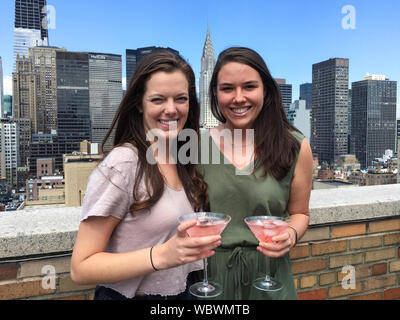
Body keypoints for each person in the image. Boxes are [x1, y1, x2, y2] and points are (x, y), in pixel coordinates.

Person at [70, 50, 220, 300]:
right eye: (158, 99)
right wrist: (162, 255)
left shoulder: (181, 157)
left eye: (181, 98)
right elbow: (81, 268)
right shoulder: (124, 163)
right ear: (139, 103)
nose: (171, 109)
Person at [197, 47, 313, 300]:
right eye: (227, 88)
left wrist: (291, 234)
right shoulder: (196, 146)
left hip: (269, 277)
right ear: (215, 94)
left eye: (249, 86)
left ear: (266, 90)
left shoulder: (295, 145)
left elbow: (300, 213)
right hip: (210, 282)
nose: (239, 98)